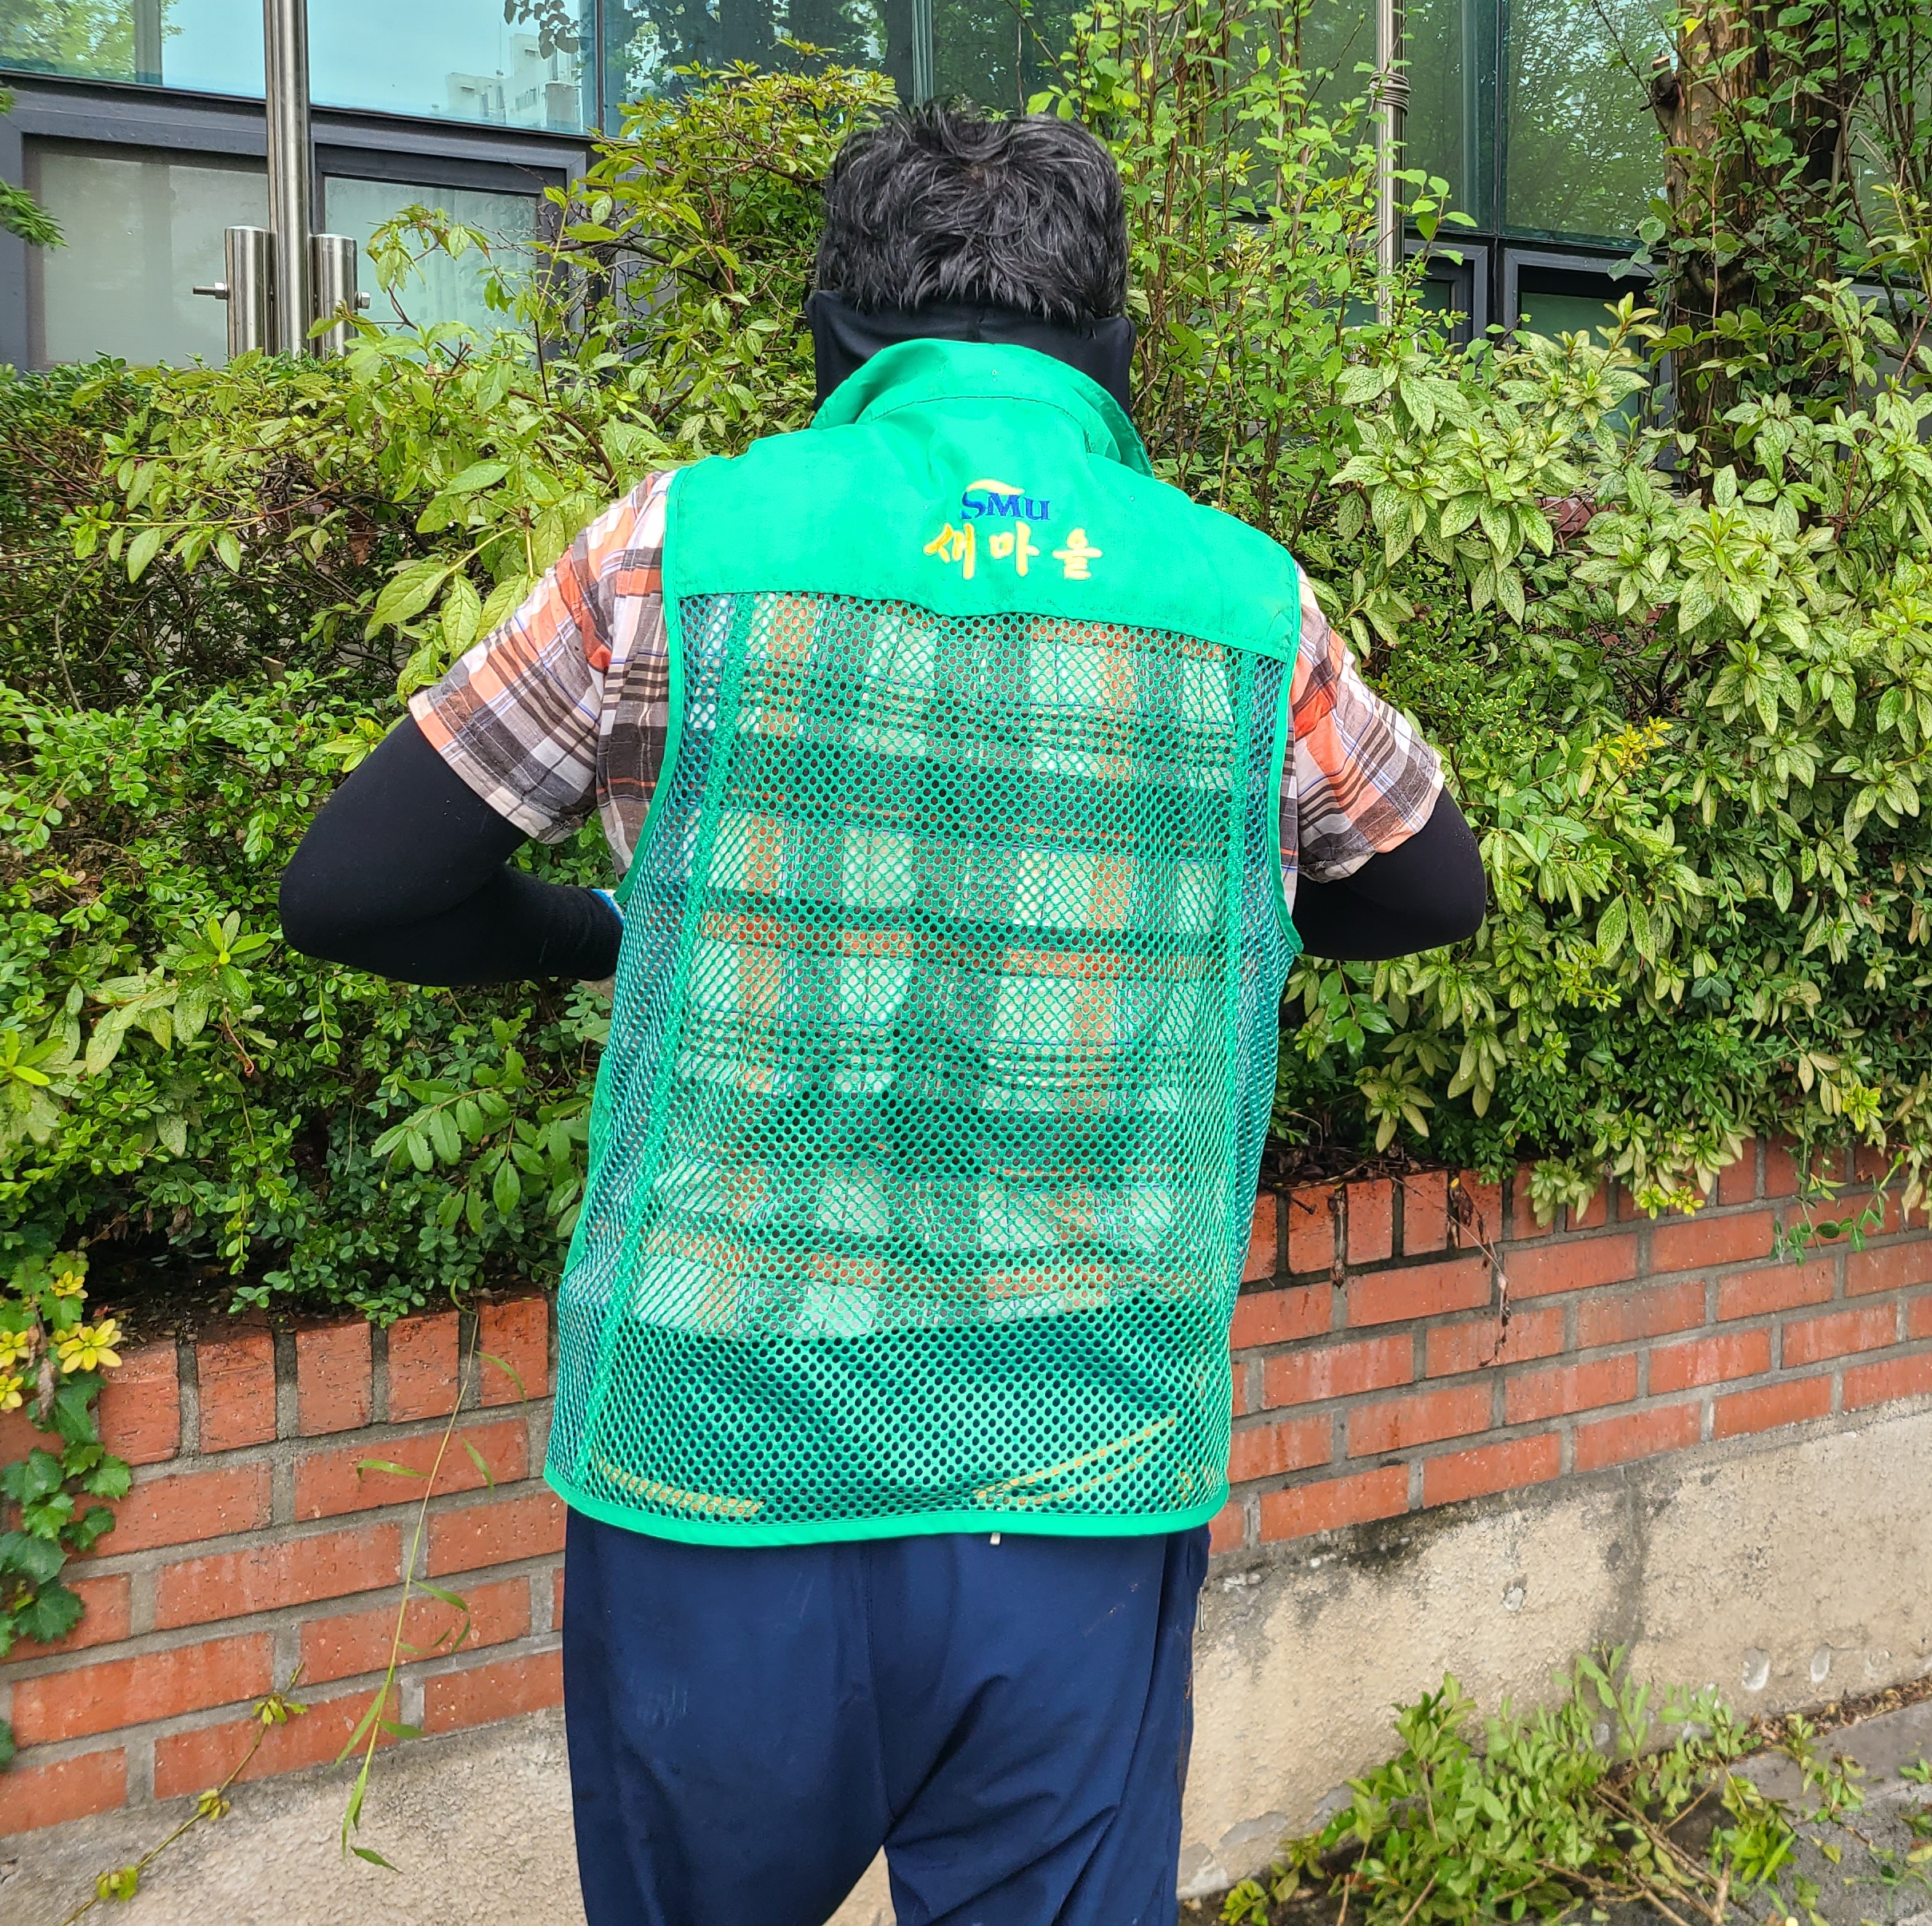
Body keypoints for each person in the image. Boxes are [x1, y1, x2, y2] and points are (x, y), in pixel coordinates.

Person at [278, 106, 1488, 1926]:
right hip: (1077, 1462)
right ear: (1116, 351)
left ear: (837, 340)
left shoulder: (676, 553)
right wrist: (1242, 914)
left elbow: (356, 888)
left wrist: (609, 942)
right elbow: (1432, 886)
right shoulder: (1248, 607)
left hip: (713, 1460)